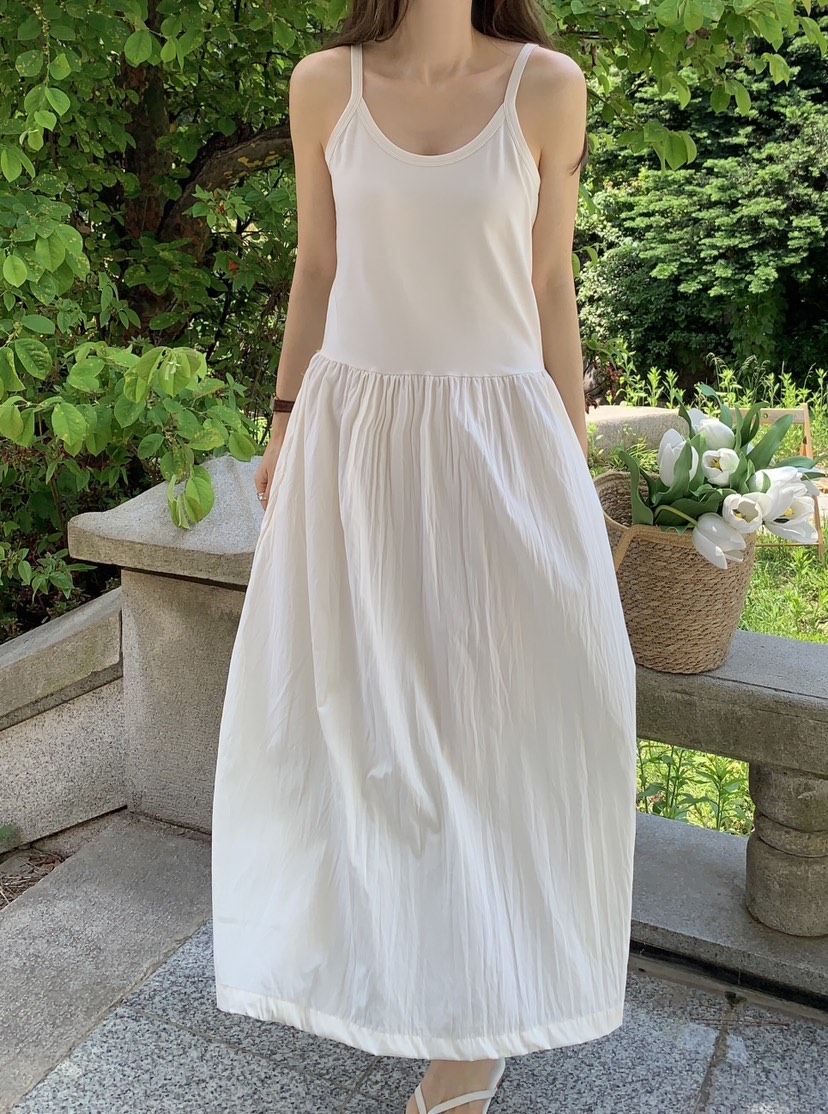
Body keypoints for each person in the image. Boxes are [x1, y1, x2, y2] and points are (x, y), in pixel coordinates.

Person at [211, 1, 639, 1111]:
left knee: (507, 728)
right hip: (356, 443)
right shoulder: (326, 86)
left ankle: (474, 1041)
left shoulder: (547, 89)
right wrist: (282, 423)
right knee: (362, 731)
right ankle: (394, 980)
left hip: (500, 444)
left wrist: (572, 465)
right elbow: (316, 267)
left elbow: (550, 285)